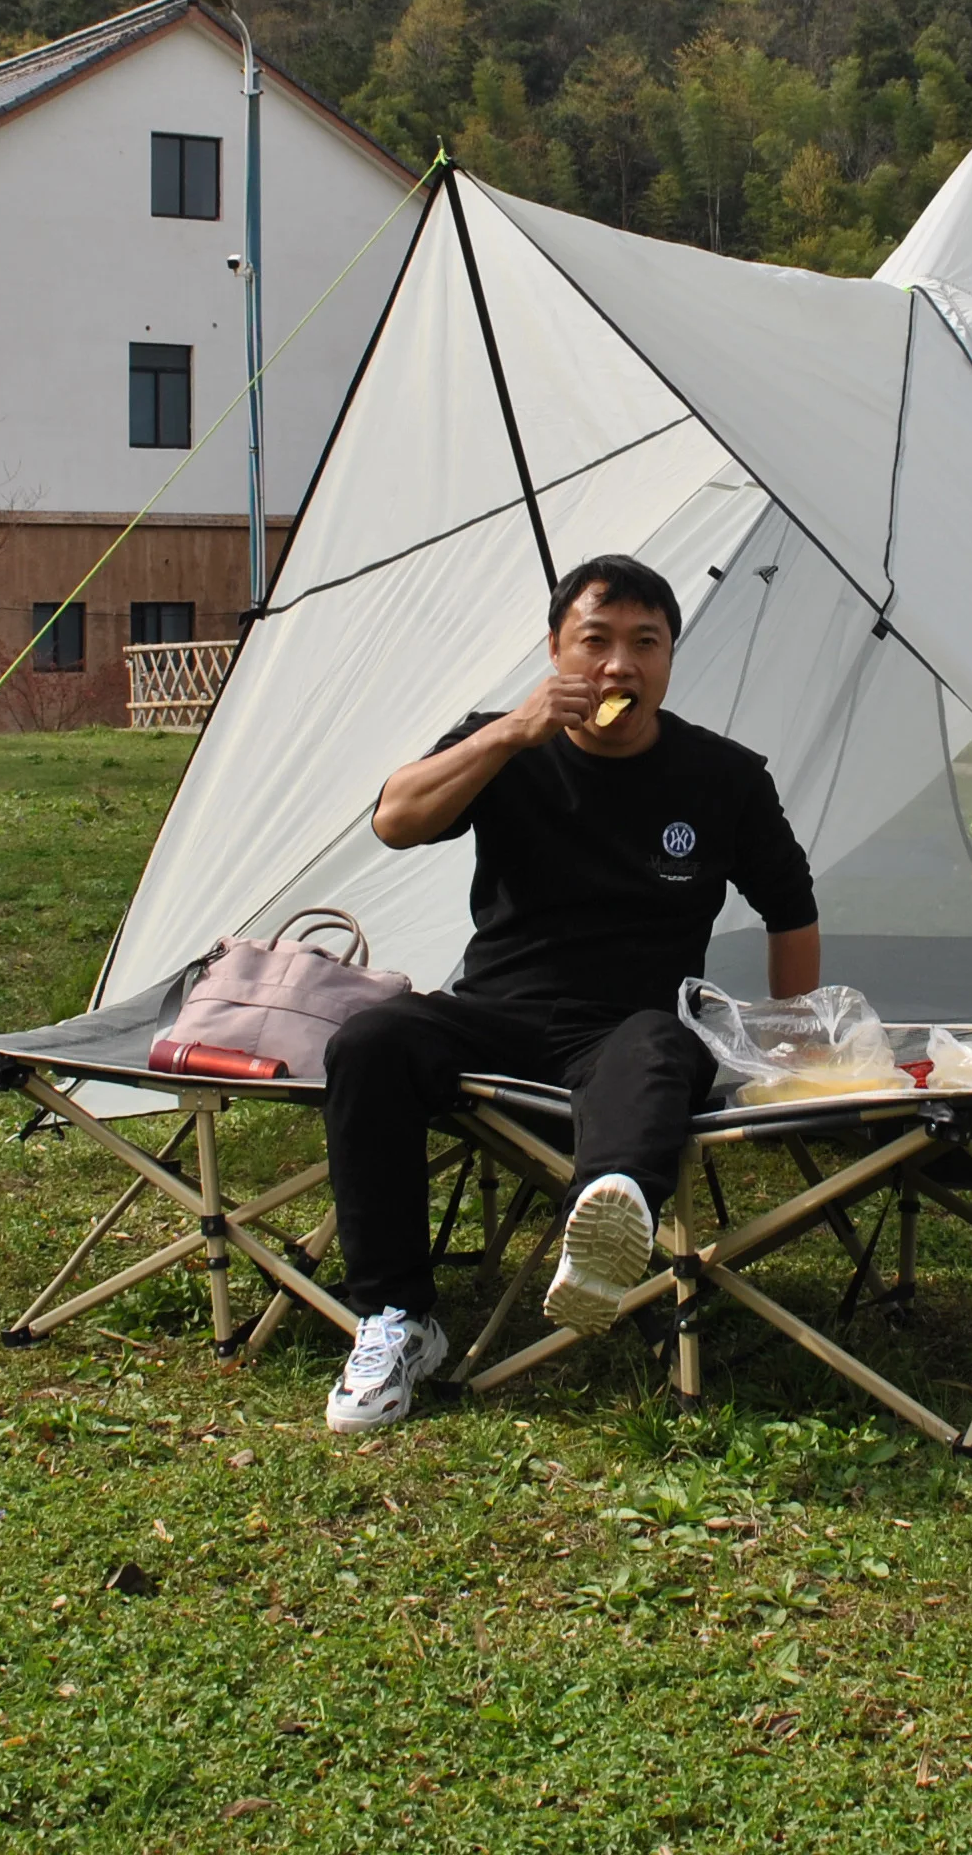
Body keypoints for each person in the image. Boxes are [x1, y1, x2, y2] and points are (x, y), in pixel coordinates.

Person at [318, 552, 821, 1432]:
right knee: (370, 1042)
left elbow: (792, 907)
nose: (618, 664)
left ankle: (605, 1226)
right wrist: (511, 734)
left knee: (667, 1046)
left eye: (645, 642)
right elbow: (394, 820)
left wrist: (791, 1037)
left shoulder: (725, 778)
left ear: (669, 659)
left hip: (626, 1025)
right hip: (492, 1013)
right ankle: (396, 1319)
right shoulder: (503, 742)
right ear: (556, 651)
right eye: (595, 640)